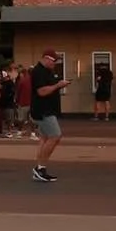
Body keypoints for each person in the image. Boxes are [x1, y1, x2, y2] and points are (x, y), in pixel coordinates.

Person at [29, 47, 70, 183]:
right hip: (43, 111)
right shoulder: (39, 72)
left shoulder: (46, 71)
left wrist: (58, 85)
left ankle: (40, 168)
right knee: (55, 136)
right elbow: (41, 91)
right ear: (46, 58)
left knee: (45, 138)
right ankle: (40, 168)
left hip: (45, 110)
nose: (54, 64)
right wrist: (58, 85)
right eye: (54, 61)